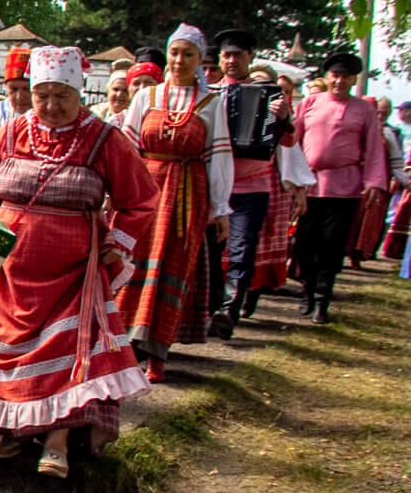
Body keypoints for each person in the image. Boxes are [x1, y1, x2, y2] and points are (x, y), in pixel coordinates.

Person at [0, 47, 157, 479]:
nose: (51, 107)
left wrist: (119, 244)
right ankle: (13, 427)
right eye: (42, 96)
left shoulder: (105, 139)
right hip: (8, 270)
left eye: (62, 97)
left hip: (71, 272)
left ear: (79, 93)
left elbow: (141, 199)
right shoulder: (12, 133)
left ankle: (56, 438)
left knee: (65, 352)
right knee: (4, 350)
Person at [115, 24, 232, 382]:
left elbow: (218, 157)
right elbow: (127, 148)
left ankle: (158, 353)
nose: (180, 60)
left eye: (188, 54)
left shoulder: (211, 104)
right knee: (134, 261)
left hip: (186, 194)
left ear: (199, 60)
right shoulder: (146, 99)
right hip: (146, 189)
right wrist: (119, 192)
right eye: (175, 53)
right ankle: (124, 346)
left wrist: (221, 208)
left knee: (172, 265)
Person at [212, 28, 296, 335]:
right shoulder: (208, 92)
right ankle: (209, 307)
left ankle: (229, 310)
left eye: (237, 55)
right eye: (226, 55)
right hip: (214, 184)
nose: (231, 60)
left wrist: (284, 118)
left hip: (252, 186)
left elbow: (288, 142)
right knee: (208, 249)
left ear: (249, 58)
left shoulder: (271, 93)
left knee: (242, 249)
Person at [295, 51, 389, 322]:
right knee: (304, 242)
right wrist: (291, 179)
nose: (339, 81)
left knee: (332, 244)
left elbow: (373, 148)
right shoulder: (310, 102)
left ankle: (323, 299)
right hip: (309, 184)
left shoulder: (364, 109)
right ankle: (307, 291)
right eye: (335, 75)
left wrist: (374, 182)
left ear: (353, 80)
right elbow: (296, 141)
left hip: (344, 188)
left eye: (345, 77)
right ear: (327, 77)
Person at [244, 66, 311, 310]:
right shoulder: (239, 108)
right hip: (241, 183)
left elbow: (294, 154)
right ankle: (235, 295)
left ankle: (251, 295)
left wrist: (301, 189)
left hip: (273, 183)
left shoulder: (283, 120)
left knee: (263, 240)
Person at [345, 94, 402, 265]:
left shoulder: (388, 133)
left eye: (385, 112)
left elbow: (395, 160)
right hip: (351, 182)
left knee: (367, 222)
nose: (381, 115)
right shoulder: (353, 128)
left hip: (375, 183)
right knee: (350, 220)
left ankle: (360, 255)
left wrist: (403, 180)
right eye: (378, 111)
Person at [383, 98, 411, 263]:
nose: (399, 113)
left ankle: (397, 248)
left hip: (404, 174)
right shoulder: (397, 130)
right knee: (397, 209)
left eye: (402, 109)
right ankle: (393, 246)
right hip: (401, 173)